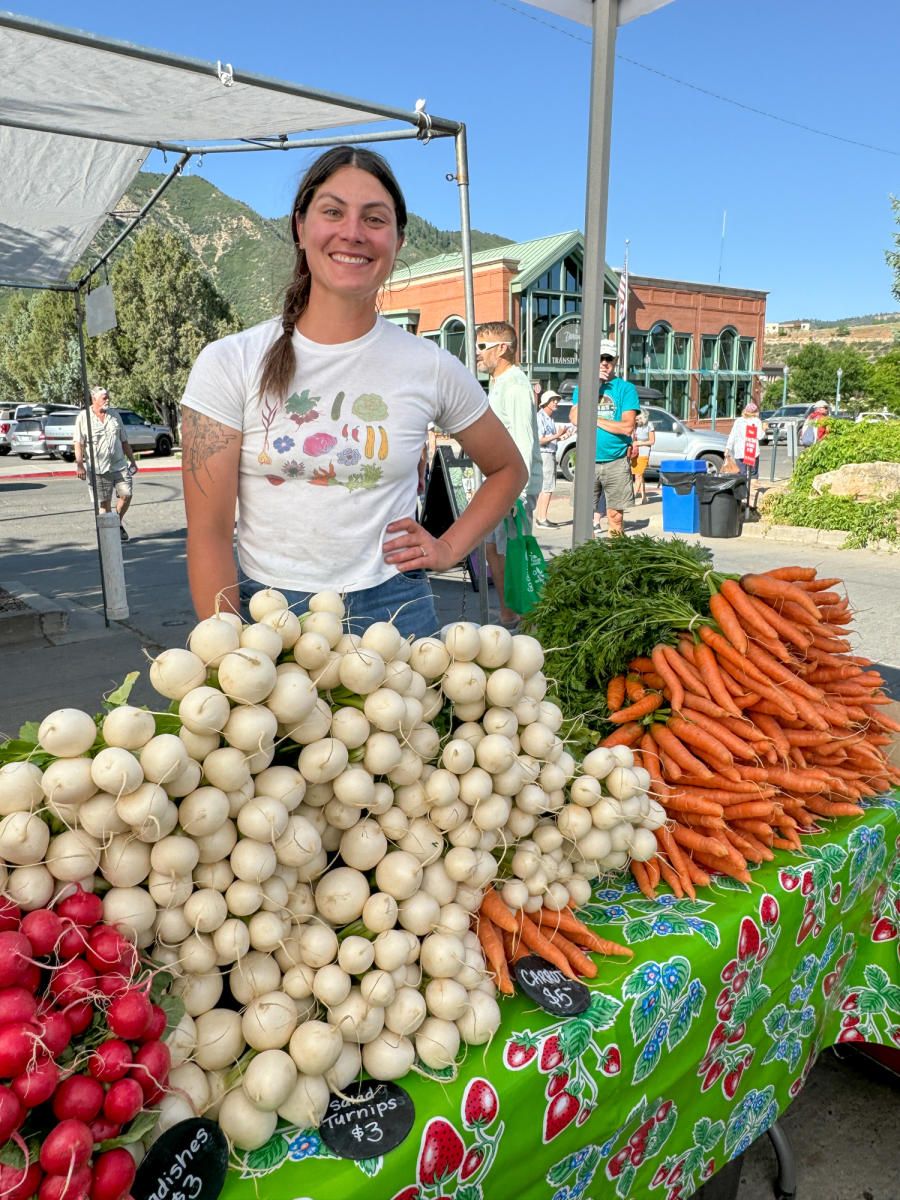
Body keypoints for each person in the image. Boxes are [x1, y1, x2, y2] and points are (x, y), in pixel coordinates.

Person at [180, 146, 526, 635]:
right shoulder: (229, 361)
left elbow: (509, 469)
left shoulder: (429, 366)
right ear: (301, 226)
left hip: (396, 611)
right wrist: (229, 649)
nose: (353, 233)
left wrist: (448, 547)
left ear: (398, 240)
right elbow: (210, 534)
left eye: (375, 218)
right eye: (333, 212)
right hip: (270, 615)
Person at [475, 320, 542, 629]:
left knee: (513, 556)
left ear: (501, 349)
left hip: (511, 486)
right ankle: (508, 613)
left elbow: (525, 439)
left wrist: (518, 490)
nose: (477, 354)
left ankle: (526, 620)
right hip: (497, 483)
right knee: (492, 548)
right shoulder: (498, 382)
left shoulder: (515, 384)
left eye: (481, 347)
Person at [570, 338, 640, 537]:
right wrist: (594, 385)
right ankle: (589, 559)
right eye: (600, 358)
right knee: (582, 518)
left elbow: (627, 427)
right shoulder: (583, 386)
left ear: (615, 360)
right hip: (587, 461)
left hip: (616, 461)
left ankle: (613, 559)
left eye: (608, 358)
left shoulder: (625, 389)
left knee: (615, 516)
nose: (604, 362)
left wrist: (592, 418)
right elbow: (575, 418)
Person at [74, 386, 139, 542]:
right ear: (94, 399)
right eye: (104, 397)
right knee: (105, 504)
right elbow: (78, 443)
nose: (108, 399)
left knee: (126, 494)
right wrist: (79, 464)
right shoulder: (84, 417)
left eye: (108, 396)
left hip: (119, 465)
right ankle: (108, 537)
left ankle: (116, 522)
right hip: (98, 468)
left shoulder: (115, 415)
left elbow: (124, 440)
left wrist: (132, 460)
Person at [535, 390, 568, 527]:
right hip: (545, 454)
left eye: (556, 400)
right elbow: (540, 440)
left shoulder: (549, 418)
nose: (556, 402)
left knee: (546, 487)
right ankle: (542, 519)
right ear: (545, 402)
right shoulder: (540, 417)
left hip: (549, 453)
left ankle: (541, 517)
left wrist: (562, 436)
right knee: (547, 487)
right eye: (553, 400)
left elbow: (549, 439)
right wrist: (556, 436)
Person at [724, 400, 764, 508]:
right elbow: (760, 436)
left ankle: (741, 498)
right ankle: (751, 500)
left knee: (741, 474)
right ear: (756, 412)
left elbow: (732, 435)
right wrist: (764, 429)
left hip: (740, 451)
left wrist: (728, 448)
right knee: (753, 474)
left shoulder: (738, 421)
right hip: (752, 451)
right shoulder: (756, 421)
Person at [630, 409, 655, 504]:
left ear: (643, 417)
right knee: (639, 475)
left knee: (638, 475)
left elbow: (652, 441)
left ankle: (631, 498)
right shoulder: (635, 425)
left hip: (644, 452)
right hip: (635, 452)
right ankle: (644, 497)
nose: (635, 418)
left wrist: (639, 443)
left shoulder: (649, 425)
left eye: (637, 417)